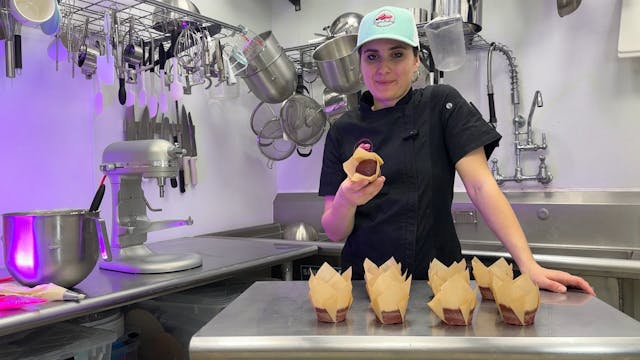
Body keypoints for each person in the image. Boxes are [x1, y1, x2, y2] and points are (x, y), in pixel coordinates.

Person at [318, 6, 594, 295]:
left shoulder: (441, 105)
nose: (383, 68)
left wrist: (528, 265)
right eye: (371, 56)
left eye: (397, 54)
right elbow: (336, 232)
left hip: (438, 285)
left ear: (416, 61)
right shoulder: (342, 129)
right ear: (359, 64)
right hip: (365, 289)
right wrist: (346, 200)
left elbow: (480, 186)